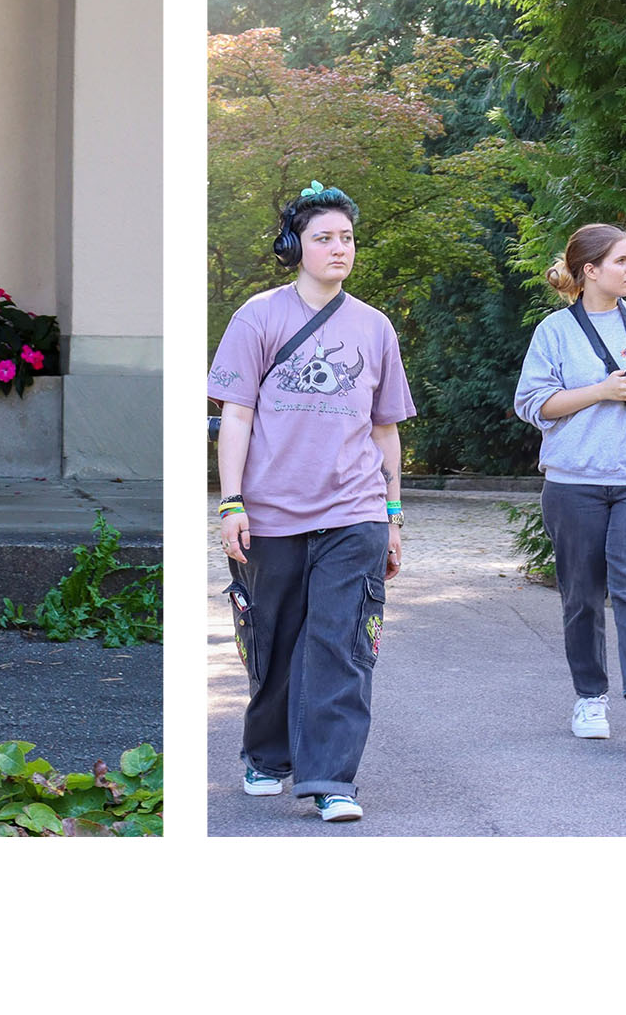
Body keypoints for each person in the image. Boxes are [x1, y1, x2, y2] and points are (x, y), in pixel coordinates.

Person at [210, 182, 414, 824]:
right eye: (324, 237)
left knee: (342, 645)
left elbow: (386, 429)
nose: (338, 248)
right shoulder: (259, 316)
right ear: (295, 245)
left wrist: (393, 513)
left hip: (354, 512)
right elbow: (235, 415)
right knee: (272, 643)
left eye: (347, 238)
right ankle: (267, 755)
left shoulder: (375, 327)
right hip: (271, 514)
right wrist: (231, 503)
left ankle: (331, 780)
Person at [514, 223, 626, 747]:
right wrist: (602, 390)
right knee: (583, 595)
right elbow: (534, 405)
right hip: (573, 483)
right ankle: (590, 698)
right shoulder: (554, 332)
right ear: (589, 270)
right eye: (621, 261)